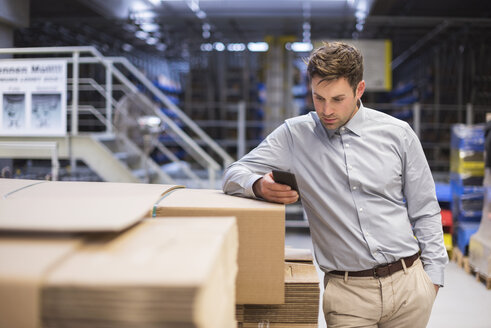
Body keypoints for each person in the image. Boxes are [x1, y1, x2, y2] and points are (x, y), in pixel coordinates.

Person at [222, 41, 448, 327]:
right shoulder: (295, 136)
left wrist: (433, 280)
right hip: (348, 294)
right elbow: (233, 172)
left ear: (359, 90)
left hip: (409, 285)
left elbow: (425, 208)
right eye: (318, 98)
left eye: (337, 99)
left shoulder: (398, 134)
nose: (326, 110)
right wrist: (257, 185)